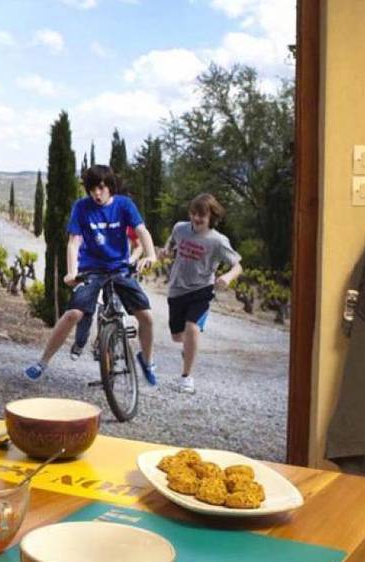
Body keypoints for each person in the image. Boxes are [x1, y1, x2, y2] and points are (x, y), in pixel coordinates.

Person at [25, 164, 158, 384]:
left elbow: (141, 231)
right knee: (73, 314)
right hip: (91, 269)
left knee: (147, 317)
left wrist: (151, 255)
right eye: (92, 189)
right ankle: (42, 362)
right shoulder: (81, 207)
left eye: (102, 188)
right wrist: (71, 273)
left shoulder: (124, 205)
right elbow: (74, 242)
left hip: (119, 268)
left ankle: (147, 360)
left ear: (110, 187)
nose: (97, 193)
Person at [162, 193, 243, 394]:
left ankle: (186, 378)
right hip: (177, 289)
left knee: (192, 328)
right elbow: (171, 243)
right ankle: (189, 347)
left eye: (202, 215)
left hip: (201, 290)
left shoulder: (218, 241)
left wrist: (228, 277)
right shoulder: (180, 228)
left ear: (211, 217)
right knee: (177, 336)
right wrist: (165, 250)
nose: (197, 219)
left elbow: (238, 266)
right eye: (194, 214)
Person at [71, 225, 142, 359]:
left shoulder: (124, 220)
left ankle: (107, 345)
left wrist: (130, 260)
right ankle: (80, 342)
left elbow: (138, 245)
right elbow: (76, 243)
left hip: (116, 270)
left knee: (114, 304)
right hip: (93, 269)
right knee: (86, 305)